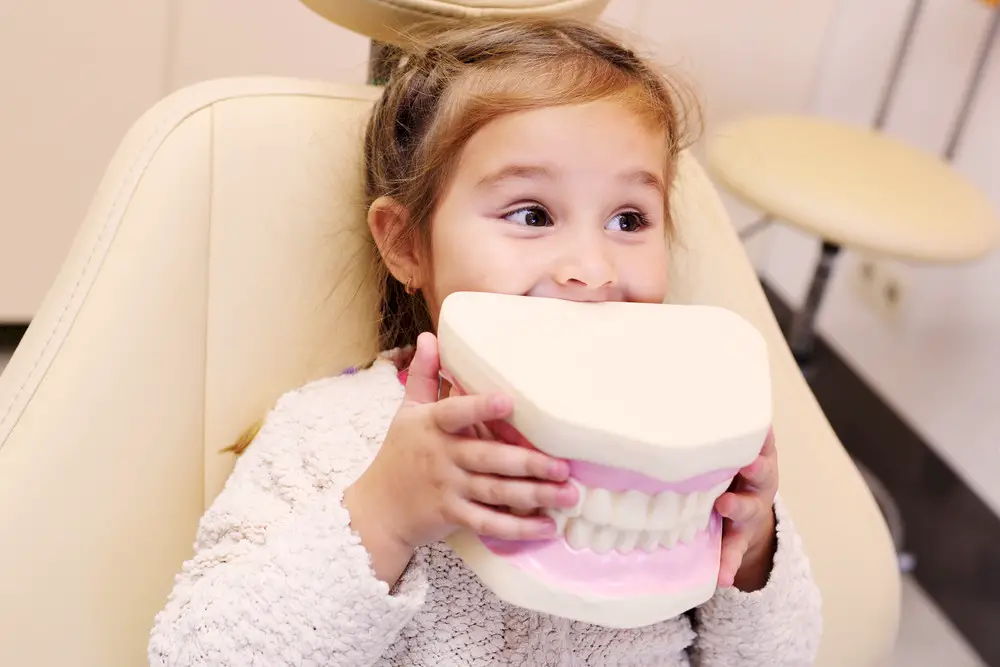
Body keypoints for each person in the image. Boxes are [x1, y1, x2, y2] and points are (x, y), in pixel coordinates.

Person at [148, 17, 821, 666]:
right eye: (532, 214)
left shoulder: (689, 430)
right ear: (407, 243)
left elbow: (787, 656)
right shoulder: (327, 434)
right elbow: (194, 655)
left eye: (628, 218)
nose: (592, 267)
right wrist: (382, 517)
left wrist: (752, 550)